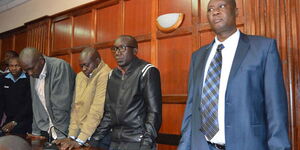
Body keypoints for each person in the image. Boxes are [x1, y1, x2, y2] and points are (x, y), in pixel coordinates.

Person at [178, 0, 290, 150]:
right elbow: (191, 108)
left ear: (236, 12)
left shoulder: (263, 48)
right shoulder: (198, 57)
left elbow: (275, 108)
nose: (215, 12)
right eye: (210, 9)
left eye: (221, 6)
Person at [91, 35, 162, 150]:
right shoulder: (112, 75)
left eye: (122, 48)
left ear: (135, 51)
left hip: (138, 141)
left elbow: (154, 112)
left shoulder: (147, 71)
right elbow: (109, 112)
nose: (117, 53)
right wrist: (95, 139)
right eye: (115, 49)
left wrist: (147, 143)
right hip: (114, 141)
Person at [54, 47, 111, 150]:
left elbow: (97, 110)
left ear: (97, 61)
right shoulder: (80, 76)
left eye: (87, 65)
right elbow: (76, 107)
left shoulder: (105, 74)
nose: (84, 69)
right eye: (81, 66)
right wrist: (71, 136)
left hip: (98, 135)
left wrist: (80, 140)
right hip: (82, 134)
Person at [18, 47, 76, 140]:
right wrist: (35, 131)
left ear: (41, 60)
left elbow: (61, 106)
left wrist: (61, 135)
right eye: (26, 70)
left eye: (31, 68)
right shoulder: (34, 71)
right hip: (47, 129)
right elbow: (36, 104)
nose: (29, 73)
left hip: (65, 130)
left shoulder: (59, 67)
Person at [0, 56, 32, 134]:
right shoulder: (3, 79)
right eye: (11, 66)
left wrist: (14, 122)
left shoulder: (29, 79)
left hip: (25, 120)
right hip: (9, 119)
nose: (14, 68)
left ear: (22, 66)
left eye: (17, 65)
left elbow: (28, 104)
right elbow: (1, 102)